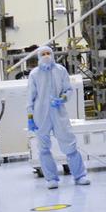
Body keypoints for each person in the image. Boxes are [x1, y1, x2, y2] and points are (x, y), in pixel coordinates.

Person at [26, 45, 90, 189]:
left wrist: (62, 98)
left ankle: (80, 176)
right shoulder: (34, 74)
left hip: (58, 111)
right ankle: (51, 179)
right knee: (43, 147)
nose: (46, 56)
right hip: (40, 113)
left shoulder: (60, 70)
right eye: (43, 54)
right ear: (38, 57)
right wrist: (30, 116)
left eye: (49, 53)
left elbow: (68, 89)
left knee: (69, 143)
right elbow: (30, 96)